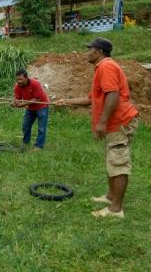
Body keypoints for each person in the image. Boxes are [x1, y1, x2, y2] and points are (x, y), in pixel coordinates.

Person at [55, 38, 139, 218]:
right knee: (112, 159)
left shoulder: (106, 67)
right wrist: (66, 101)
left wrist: (102, 121)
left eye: (90, 49)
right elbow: (90, 100)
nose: (87, 52)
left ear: (99, 52)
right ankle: (110, 197)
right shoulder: (102, 68)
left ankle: (116, 209)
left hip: (118, 122)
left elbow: (113, 94)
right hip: (113, 123)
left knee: (118, 162)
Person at [11, 68, 49, 151]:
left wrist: (22, 104)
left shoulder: (35, 84)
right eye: (17, 79)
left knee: (41, 128)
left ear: (26, 78)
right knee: (25, 126)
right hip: (30, 108)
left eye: (21, 79)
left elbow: (37, 99)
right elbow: (18, 99)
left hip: (41, 106)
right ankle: (25, 142)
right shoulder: (17, 86)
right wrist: (14, 103)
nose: (19, 81)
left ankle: (39, 146)